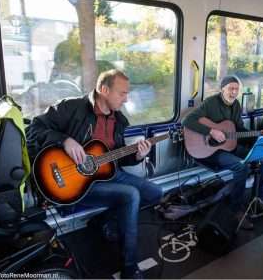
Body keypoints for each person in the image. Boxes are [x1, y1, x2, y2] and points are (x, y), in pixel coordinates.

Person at [27, 69, 163, 279]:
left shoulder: (120, 121)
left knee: (156, 192)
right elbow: (33, 129)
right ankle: (130, 266)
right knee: (131, 195)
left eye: (127, 94)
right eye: (122, 93)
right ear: (104, 90)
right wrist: (64, 141)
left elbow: (116, 159)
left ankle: (104, 222)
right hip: (75, 182)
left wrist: (137, 155)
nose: (126, 99)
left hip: (108, 175)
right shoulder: (72, 107)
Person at [182, 75, 254, 230]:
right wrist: (211, 131)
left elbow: (238, 129)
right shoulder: (210, 103)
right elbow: (187, 121)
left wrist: (257, 134)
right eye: (231, 88)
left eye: (236, 89)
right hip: (208, 151)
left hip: (228, 146)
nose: (234, 92)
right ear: (222, 89)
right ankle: (236, 210)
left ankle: (256, 200)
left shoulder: (236, 105)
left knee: (261, 156)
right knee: (241, 167)